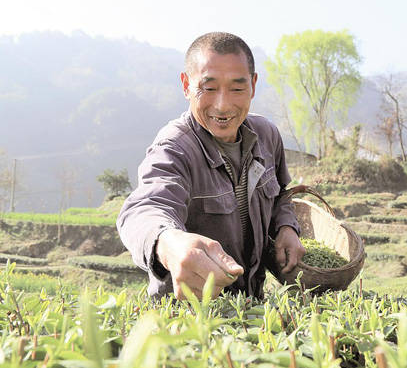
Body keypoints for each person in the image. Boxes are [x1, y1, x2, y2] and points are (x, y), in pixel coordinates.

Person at [116, 32, 305, 300]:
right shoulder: (174, 148)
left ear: (253, 84)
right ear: (186, 84)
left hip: (250, 310)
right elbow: (145, 209)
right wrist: (169, 243)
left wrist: (286, 227)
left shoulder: (266, 135)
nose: (223, 105)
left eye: (237, 89)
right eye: (209, 88)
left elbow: (281, 195)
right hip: (191, 317)